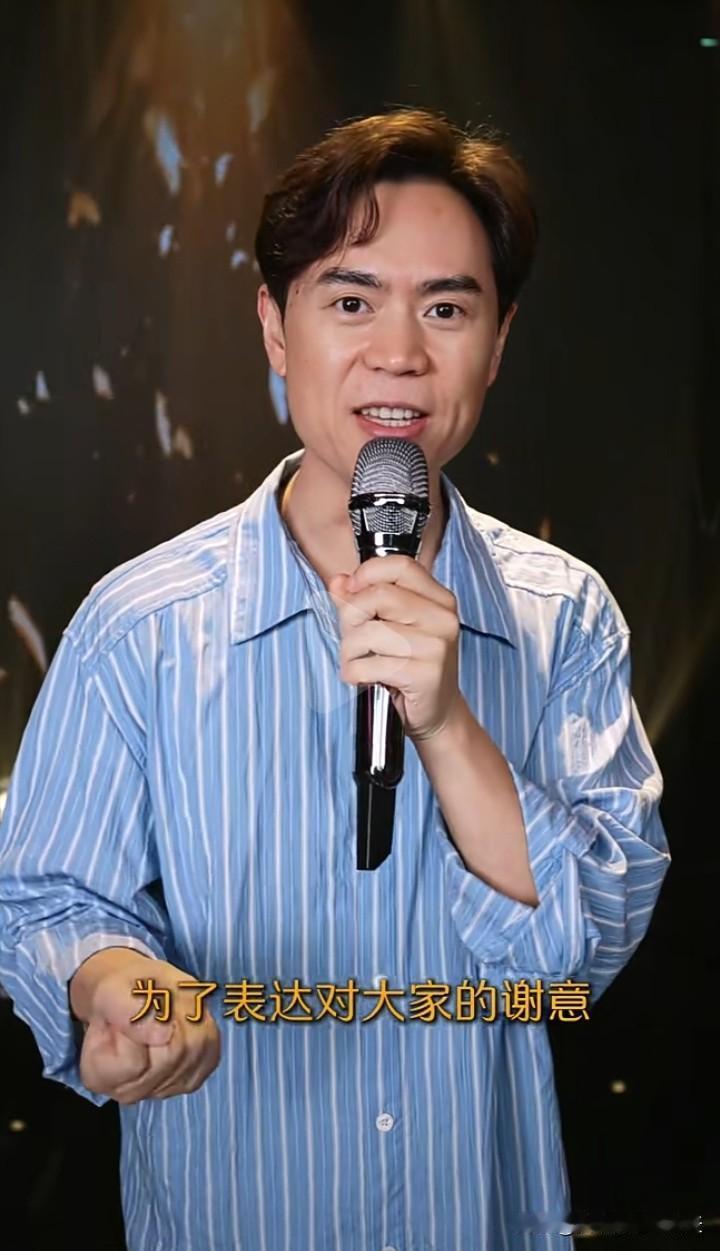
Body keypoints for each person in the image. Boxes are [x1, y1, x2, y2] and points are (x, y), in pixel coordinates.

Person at [0, 108, 670, 1251]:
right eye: (352, 302)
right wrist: (116, 986)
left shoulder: (564, 616)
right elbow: (48, 900)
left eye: (447, 308)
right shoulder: (138, 625)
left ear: (499, 341)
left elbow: (587, 948)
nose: (399, 352)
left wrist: (448, 725)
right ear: (275, 325)